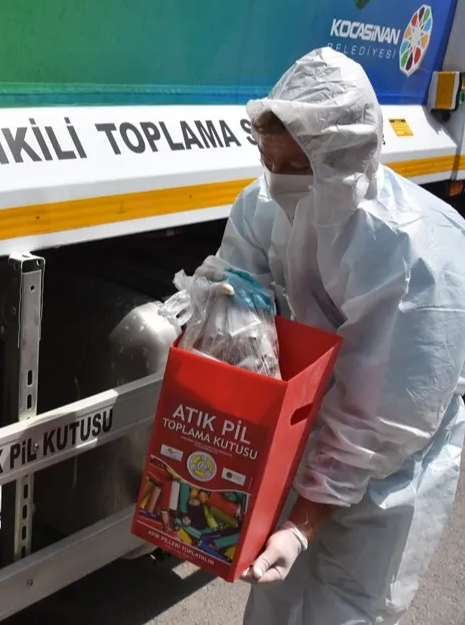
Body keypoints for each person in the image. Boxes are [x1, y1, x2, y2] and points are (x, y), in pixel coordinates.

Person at [197, 47, 465, 624]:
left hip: (389, 461)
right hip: (303, 425)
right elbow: (236, 306)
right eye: (269, 160)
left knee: (347, 603)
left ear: (347, 158)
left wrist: (302, 524)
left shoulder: (413, 251)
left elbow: (382, 419)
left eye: (296, 164)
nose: (277, 179)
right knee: (273, 595)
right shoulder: (263, 205)